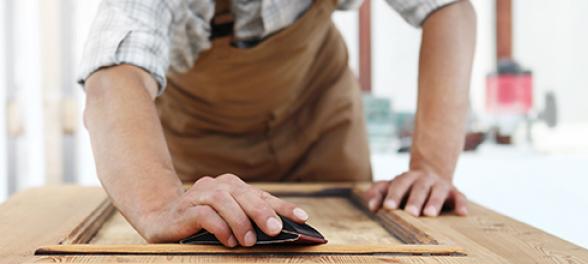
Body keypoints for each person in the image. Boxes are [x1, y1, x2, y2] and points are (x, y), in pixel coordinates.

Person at [80, 0, 476, 247]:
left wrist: (431, 169)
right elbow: (114, 77)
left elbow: (447, 8)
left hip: (320, 122)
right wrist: (159, 205)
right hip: (199, 144)